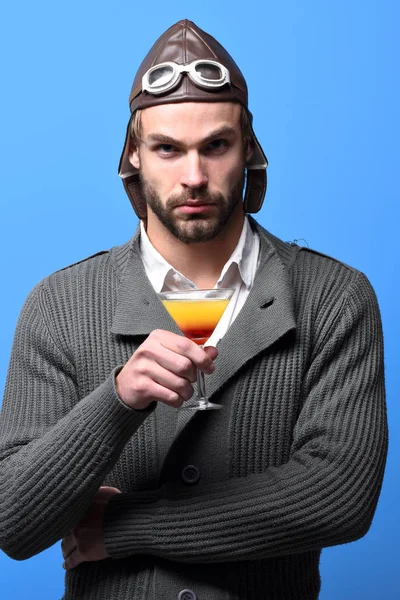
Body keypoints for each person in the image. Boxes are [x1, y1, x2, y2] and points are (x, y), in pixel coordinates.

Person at [0, 19, 388, 600]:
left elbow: (339, 496)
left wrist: (126, 526)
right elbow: (14, 520)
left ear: (250, 149)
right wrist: (117, 401)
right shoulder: (58, 304)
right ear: (133, 156)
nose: (194, 177)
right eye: (167, 148)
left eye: (216, 146)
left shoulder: (335, 296)